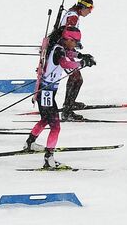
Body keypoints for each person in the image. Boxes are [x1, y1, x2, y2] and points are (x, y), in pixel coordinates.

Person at [25, 28, 94, 169]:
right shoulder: (58, 50)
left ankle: (30, 143)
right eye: (75, 42)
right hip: (47, 93)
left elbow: (68, 54)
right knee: (55, 127)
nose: (75, 44)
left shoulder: (58, 46)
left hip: (46, 92)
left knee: (45, 119)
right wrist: (82, 63)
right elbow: (65, 63)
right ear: (68, 39)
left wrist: (80, 55)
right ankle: (48, 158)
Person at [54, 0, 93, 119]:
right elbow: (68, 33)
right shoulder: (73, 16)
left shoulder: (73, 14)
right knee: (77, 79)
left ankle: (69, 103)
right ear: (82, 7)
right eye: (90, 9)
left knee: (76, 78)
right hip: (63, 50)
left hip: (65, 48)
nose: (90, 12)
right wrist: (75, 44)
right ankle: (67, 110)